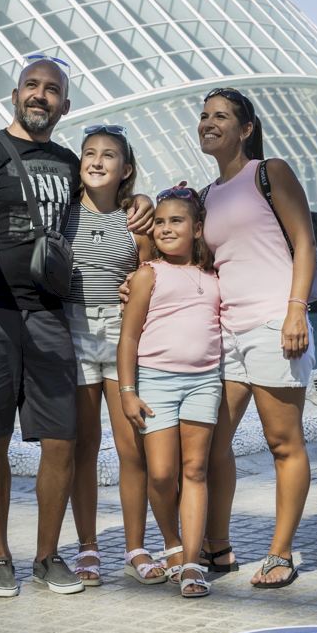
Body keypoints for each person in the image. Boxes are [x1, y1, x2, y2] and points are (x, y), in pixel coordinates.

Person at [0, 55, 153, 598]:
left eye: (51, 89)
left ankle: (47, 556)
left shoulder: (67, 161)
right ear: (15, 95)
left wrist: (143, 201)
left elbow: (109, 201)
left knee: (61, 440)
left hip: (50, 316)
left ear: (64, 104)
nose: (40, 95)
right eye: (31, 86)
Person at [198, 87, 317, 588]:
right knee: (211, 444)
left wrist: (295, 312)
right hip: (227, 332)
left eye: (221, 116)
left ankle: (280, 553)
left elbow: (305, 242)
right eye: (204, 115)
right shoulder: (207, 195)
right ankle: (218, 547)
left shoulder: (269, 173)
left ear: (245, 129)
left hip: (274, 324)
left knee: (282, 442)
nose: (208, 122)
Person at [118, 184, 221, 598]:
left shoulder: (214, 276)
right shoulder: (148, 274)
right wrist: (128, 390)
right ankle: (171, 541)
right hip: (156, 381)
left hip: (204, 382)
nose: (164, 228)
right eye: (159, 222)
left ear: (197, 229)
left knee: (195, 470)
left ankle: (192, 562)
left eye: (176, 221)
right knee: (161, 473)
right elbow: (128, 337)